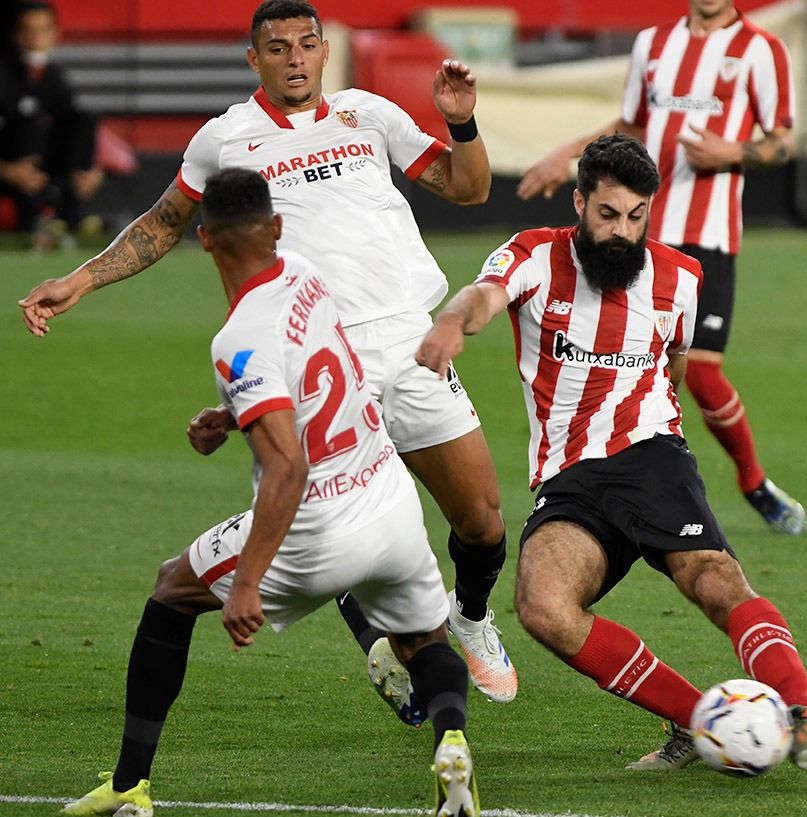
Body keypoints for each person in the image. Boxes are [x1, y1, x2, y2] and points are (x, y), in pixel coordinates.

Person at [19, 0, 518, 715]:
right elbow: (163, 224)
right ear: (253, 59)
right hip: (321, 356)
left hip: (412, 345)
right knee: (336, 520)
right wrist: (81, 277)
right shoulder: (226, 137)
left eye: (306, 44)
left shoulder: (366, 115)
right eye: (277, 47)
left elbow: (469, 189)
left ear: (323, 52)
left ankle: (470, 615)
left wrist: (461, 119)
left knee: (483, 519)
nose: (294, 58)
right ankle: (388, 644)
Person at [416, 133, 807, 770]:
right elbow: (484, 295)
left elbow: (672, 364)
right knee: (542, 607)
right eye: (608, 214)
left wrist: (647, 424)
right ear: (579, 203)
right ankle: (700, 722)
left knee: (713, 577)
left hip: (650, 456)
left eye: (636, 217)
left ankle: (805, 707)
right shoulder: (535, 254)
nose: (622, 231)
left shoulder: (682, 277)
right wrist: (452, 322)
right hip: (568, 478)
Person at [60, 168, 479, 817]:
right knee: (424, 640)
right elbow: (318, 369)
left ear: (205, 240)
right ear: (277, 228)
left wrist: (250, 580)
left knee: (172, 590)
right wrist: (233, 414)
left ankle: (129, 786)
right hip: (389, 497)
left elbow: (287, 470)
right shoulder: (307, 275)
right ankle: (452, 742)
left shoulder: (238, 339)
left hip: (319, 526)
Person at [516, 0, 806, 536]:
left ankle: (752, 482)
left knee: (701, 369)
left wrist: (733, 151)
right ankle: (614, 480)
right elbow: (631, 124)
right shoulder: (653, 42)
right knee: (617, 359)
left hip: (709, 237)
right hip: (639, 236)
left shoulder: (761, 51)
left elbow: (784, 141)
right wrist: (568, 154)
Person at [0, 1, 104, 240]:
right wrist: (8, 171)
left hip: (43, 170)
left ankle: (69, 215)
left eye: (43, 29)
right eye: (29, 30)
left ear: (55, 34)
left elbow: (72, 124)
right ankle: (33, 219)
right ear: (15, 35)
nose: (36, 38)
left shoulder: (55, 78)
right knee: (28, 123)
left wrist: (93, 169)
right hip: (11, 170)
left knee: (83, 119)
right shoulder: (4, 75)